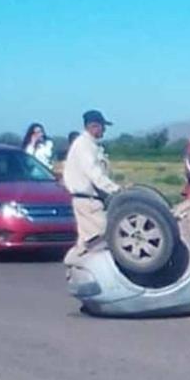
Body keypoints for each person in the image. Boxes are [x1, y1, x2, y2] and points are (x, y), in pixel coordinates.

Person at [62, 110, 122, 265]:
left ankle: (74, 269)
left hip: (89, 200)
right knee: (104, 238)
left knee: (85, 244)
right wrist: (116, 190)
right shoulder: (84, 146)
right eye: (103, 126)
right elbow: (94, 173)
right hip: (88, 201)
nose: (104, 130)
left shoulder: (90, 145)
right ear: (94, 126)